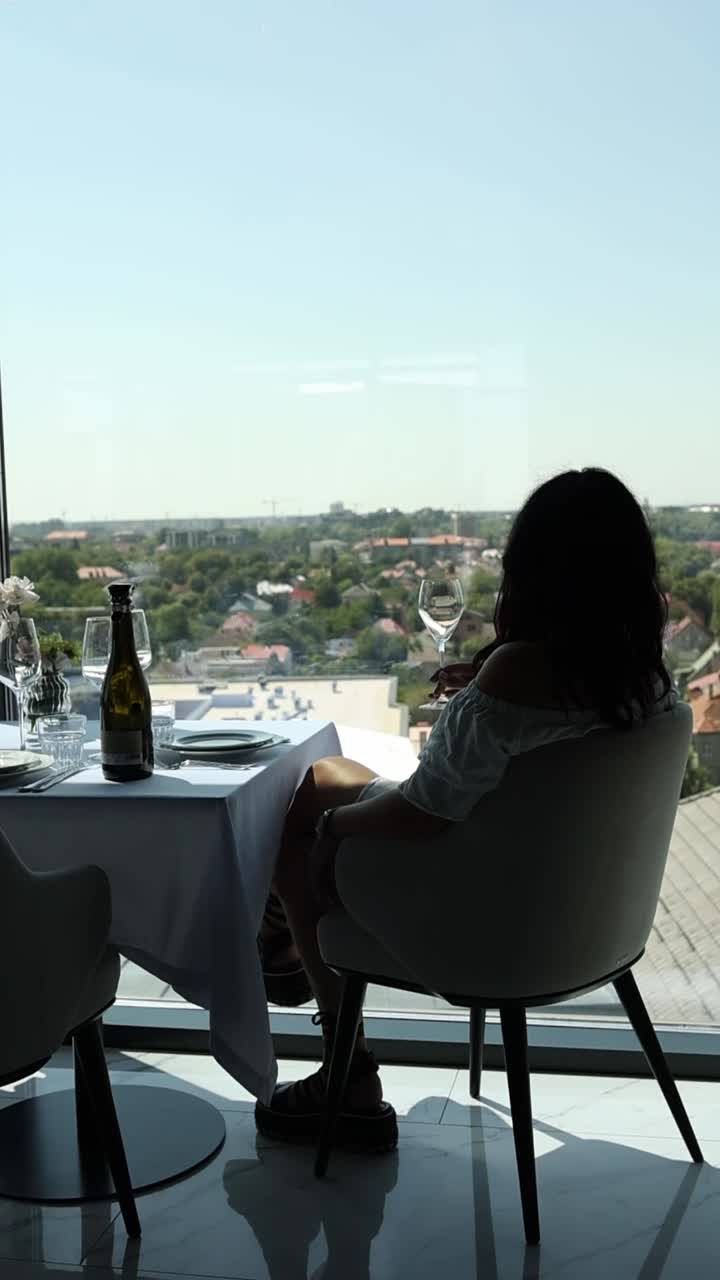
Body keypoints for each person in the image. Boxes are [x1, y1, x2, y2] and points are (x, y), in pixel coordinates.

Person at [255, 468, 676, 1149]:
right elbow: (543, 751)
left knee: (304, 819)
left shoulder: (519, 670)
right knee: (330, 783)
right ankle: (280, 930)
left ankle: (342, 1058)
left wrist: (333, 831)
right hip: (587, 921)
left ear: (531, 569)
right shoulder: (641, 671)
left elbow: (425, 811)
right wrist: (484, 686)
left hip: (485, 923)